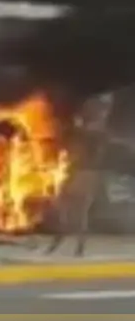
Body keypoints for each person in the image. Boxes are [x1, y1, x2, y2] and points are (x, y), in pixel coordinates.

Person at [42, 93, 113, 258]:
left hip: (85, 173)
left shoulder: (95, 133)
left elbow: (85, 144)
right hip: (79, 172)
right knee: (70, 209)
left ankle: (70, 246)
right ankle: (68, 245)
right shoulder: (93, 132)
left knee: (77, 211)